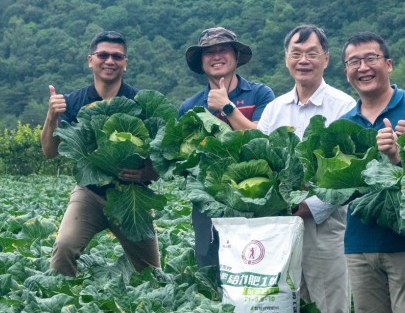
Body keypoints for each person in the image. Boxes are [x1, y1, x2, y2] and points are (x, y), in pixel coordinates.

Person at [339, 31, 405, 313]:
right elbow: (335, 187)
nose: (363, 67)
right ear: (346, 71)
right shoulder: (344, 124)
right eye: (354, 61)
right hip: (359, 244)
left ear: (389, 64)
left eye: (371, 59)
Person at [42, 30, 160, 276]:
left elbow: (164, 150)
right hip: (90, 193)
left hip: (132, 196)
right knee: (64, 247)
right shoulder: (73, 102)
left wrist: (149, 172)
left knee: (151, 272)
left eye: (117, 57)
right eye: (103, 55)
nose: (110, 61)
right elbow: (49, 152)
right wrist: (52, 116)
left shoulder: (141, 102)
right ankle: (64, 304)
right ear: (90, 60)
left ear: (125, 63)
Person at [257, 24, 355, 313]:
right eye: (296, 53)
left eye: (312, 53)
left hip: (325, 223)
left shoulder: (343, 106)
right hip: (280, 223)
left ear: (326, 59)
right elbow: (260, 159)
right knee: (286, 304)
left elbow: (348, 170)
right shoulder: (274, 109)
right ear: (286, 59)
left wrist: (309, 206)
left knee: (329, 306)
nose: (304, 60)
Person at [179, 27, 275, 267]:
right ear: (201, 62)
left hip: (254, 196)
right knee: (208, 262)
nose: (216, 56)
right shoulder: (189, 107)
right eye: (208, 52)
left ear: (236, 56)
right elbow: (180, 158)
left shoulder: (261, 94)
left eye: (223, 49)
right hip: (207, 199)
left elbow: (263, 141)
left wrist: (227, 107)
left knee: (255, 263)